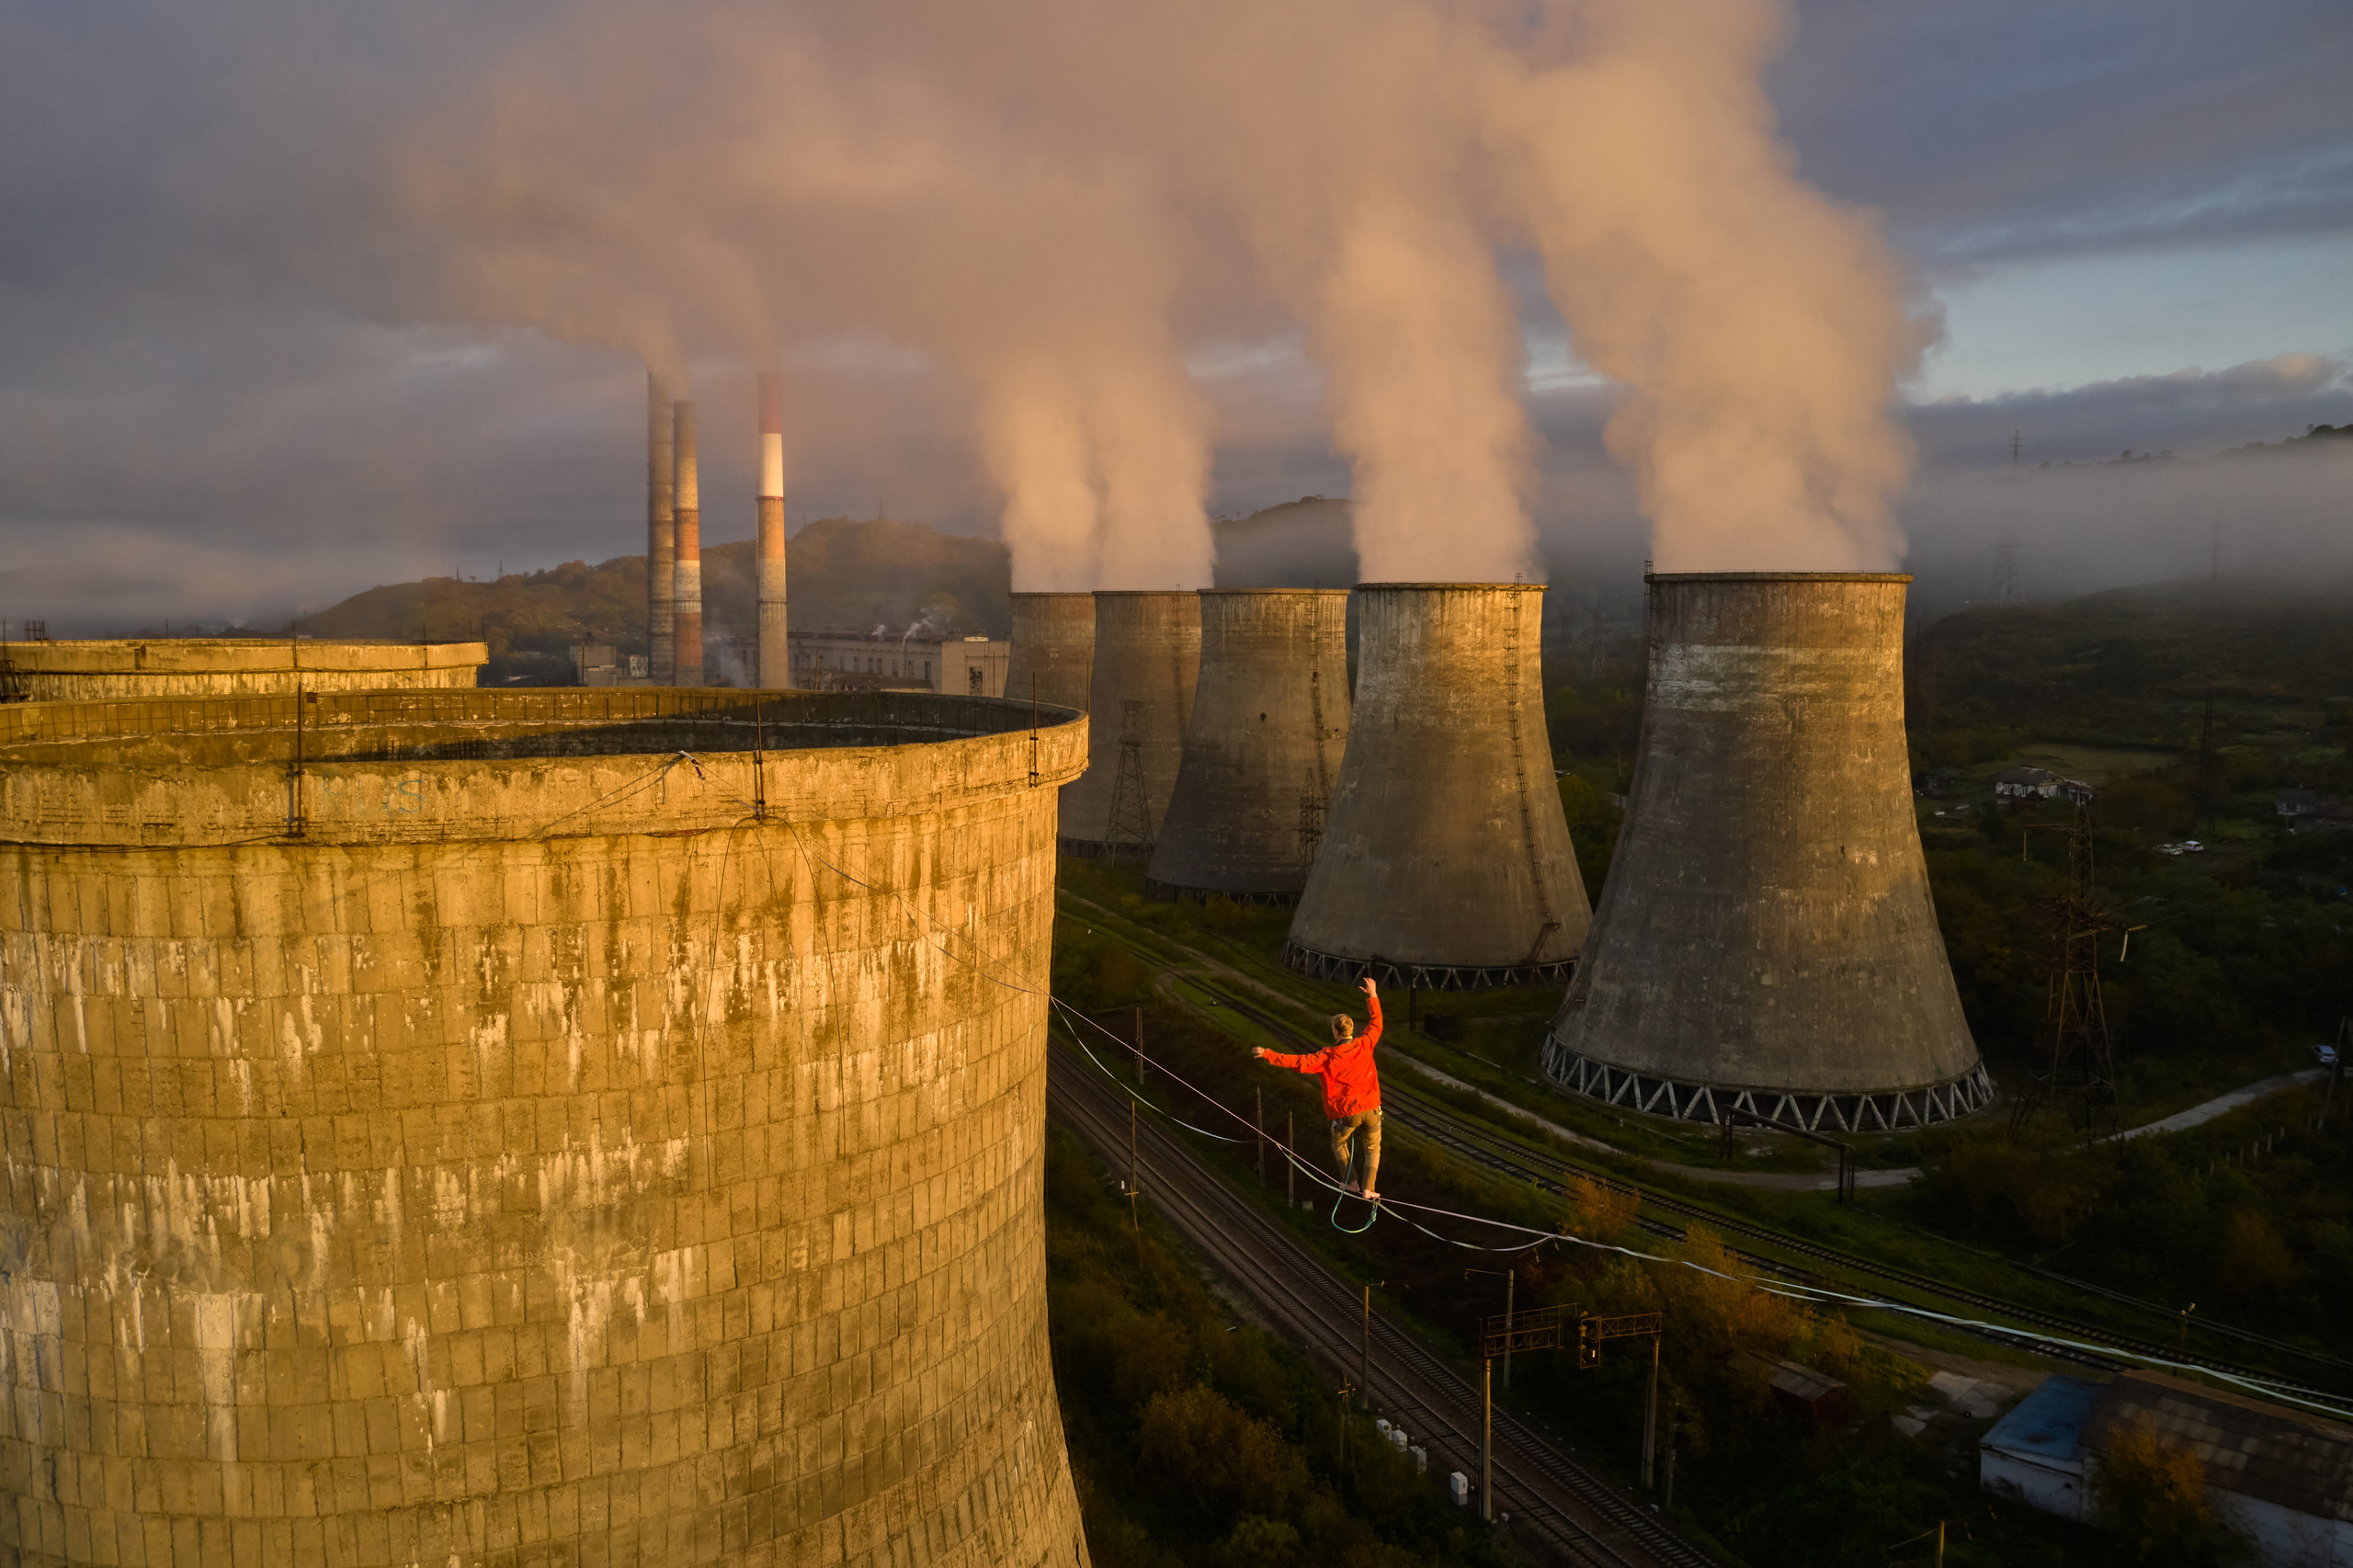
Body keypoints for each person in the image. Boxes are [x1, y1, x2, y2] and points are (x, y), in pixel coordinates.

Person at [1255, 976, 1385, 1200]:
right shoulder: (1365, 1044)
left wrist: (1269, 1054)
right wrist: (1373, 995)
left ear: (1335, 1032)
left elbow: (1298, 1062)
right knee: (1373, 1147)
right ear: (1351, 1030)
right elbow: (1376, 1024)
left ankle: (1350, 1183)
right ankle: (1368, 1189)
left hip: (1347, 1113)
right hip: (1372, 1108)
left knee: (1339, 1141)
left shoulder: (1326, 1057)